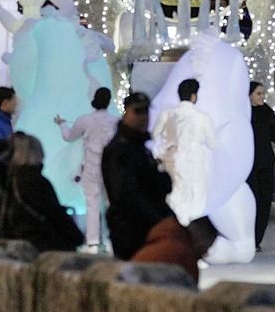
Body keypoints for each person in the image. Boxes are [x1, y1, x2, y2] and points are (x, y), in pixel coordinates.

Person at [102, 93, 172, 259]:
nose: (144, 117)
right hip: (131, 231)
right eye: (138, 111)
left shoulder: (140, 148)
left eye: (146, 111)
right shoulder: (120, 150)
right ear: (126, 113)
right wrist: (156, 219)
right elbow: (125, 195)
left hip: (147, 228)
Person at [0, 132, 84, 252]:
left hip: (23, 241)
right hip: (44, 242)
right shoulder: (36, 181)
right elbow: (54, 212)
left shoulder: (13, 178)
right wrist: (77, 236)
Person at [56, 87, 117, 252]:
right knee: (110, 204)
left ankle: (92, 243)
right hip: (110, 168)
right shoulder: (116, 121)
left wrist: (62, 125)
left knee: (92, 205)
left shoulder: (85, 120)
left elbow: (69, 137)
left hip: (91, 167)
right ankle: (110, 240)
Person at [151, 79, 214, 224]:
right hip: (194, 162)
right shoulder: (202, 118)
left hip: (172, 159)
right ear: (194, 96)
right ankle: (191, 235)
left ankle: (175, 233)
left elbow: (154, 136)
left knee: (174, 196)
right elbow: (212, 143)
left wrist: (163, 149)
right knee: (195, 197)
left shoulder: (167, 114)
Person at [248, 82, 275, 251]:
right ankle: (250, 238)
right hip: (248, 165)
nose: (262, 97)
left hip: (265, 163)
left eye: (262, 94)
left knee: (264, 202)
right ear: (249, 96)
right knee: (252, 202)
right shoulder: (242, 113)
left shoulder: (266, 112)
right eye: (258, 94)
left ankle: (256, 239)